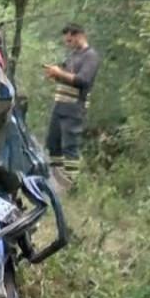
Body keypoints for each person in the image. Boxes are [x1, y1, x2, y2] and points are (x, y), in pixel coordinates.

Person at [42, 23, 100, 185]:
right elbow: (67, 77)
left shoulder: (91, 56)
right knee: (52, 143)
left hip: (74, 108)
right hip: (59, 106)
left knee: (70, 147)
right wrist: (55, 75)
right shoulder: (73, 54)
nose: (67, 43)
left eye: (69, 40)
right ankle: (58, 181)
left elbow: (83, 80)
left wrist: (60, 72)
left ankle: (72, 183)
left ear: (79, 35)